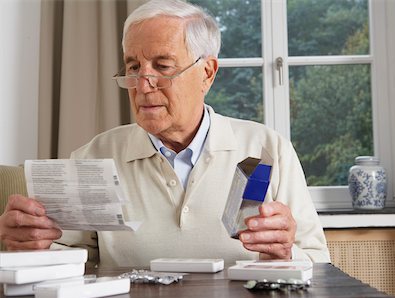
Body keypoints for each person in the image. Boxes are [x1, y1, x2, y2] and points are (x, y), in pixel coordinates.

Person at [0, 0, 330, 267]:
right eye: (133, 67)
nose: (143, 84)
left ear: (207, 73)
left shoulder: (267, 149)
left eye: (162, 66)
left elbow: (318, 265)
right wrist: (27, 248)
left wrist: (286, 256)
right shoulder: (93, 156)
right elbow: (60, 261)